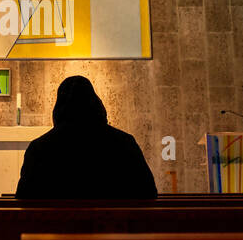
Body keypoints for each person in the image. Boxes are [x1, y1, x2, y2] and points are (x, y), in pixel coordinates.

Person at [14, 75, 158, 199]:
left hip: (57, 229)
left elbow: (24, 196)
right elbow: (148, 191)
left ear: (59, 106)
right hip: (115, 228)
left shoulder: (39, 148)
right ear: (96, 102)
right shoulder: (125, 142)